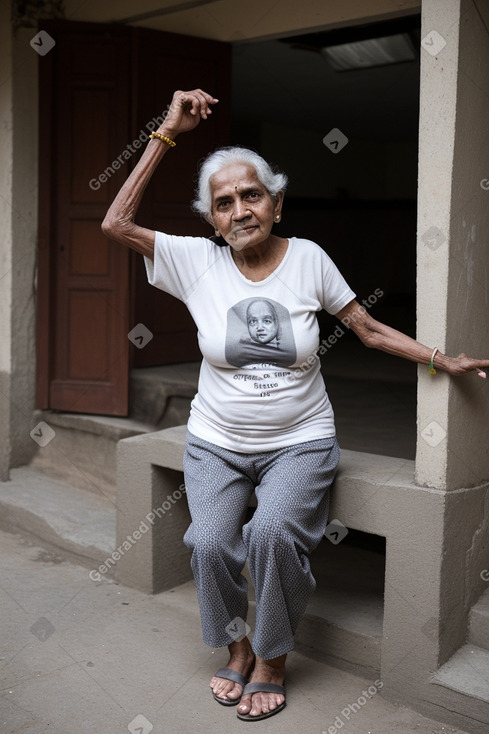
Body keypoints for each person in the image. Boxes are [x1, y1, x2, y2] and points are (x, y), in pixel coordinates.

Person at [102, 89, 489, 722]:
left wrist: (440, 359)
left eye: (251, 195)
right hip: (215, 440)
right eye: (223, 203)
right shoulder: (195, 261)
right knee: (207, 542)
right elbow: (115, 224)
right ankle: (237, 642)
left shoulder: (308, 258)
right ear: (212, 220)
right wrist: (166, 133)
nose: (239, 209)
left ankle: (273, 657)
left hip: (300, 441)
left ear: (277, 203)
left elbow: (365, 329)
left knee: (275, 531)